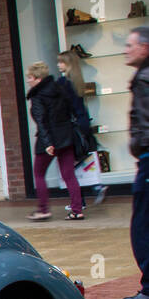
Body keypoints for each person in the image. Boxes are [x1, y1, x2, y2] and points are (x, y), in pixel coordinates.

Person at [24, 62, 83, 221]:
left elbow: (41, 121)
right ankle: (77, 210)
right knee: (69, 175)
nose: (28, 81)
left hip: (48, 140)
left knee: (39, 173)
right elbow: (71, 110)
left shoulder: (37, 96)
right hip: (66, 136)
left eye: (30, 77)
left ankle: (43, 209)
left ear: (37, 78)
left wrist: (48, 143)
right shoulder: (60, 88)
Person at [57, 50, 106, 208]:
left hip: (72, 128)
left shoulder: (64, 83)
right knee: (81, 162)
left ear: (68, 64)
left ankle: (81, 200)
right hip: (82, 124)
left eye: (61, 62)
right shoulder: (77, 81)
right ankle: (93, 188)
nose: (59, 65)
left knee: (70, 166)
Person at [124, 26, 149, 299]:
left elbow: (146, 124)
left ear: (144, 47)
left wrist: (141, 149)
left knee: (142, 224)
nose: (126, 49)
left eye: (131, 45)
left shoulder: (143, 79)